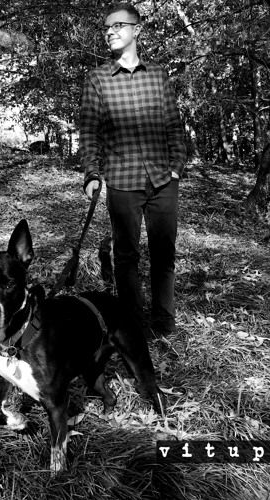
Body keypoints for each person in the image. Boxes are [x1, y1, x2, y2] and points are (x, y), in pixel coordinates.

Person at [80, 2, 186, 338]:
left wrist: (176, 167)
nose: (109, 32)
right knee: (126, 257)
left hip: (163, 180)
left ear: (136, 30)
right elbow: (89, 133)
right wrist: (92, 174)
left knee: (163, 254)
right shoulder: (97, 79)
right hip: (122, 182)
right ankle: (133, 328)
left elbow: (174, 125)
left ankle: (164, 325)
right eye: (106, 28)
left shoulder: (158, 76)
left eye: (117, 26)